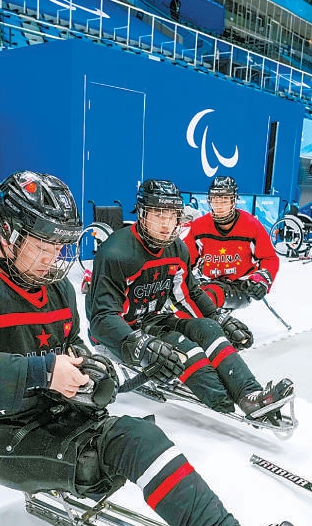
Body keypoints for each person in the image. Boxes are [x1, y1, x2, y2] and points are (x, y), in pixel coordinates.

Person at [0, 170, 299, 526]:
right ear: (6, 233)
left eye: (59, 247)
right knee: (130, 439)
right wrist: (42, 370)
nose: (51, 259)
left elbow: (70, 343)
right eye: (42, 246)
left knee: (142, 435)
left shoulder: (57, 291)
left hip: (56, 414)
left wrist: (93, 369)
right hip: (2, 437)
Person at [86, 179, 294, 424]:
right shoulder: (116, 252)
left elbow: (189, 294)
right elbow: (100, 318)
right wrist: (138, 343)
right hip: (122, 332)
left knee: (208, 329)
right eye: (157, 214)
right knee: (184, 349)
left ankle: (250, 395)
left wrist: (218, 318)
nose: (166, 224)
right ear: (142, 214)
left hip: (154, 320)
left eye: (172, 216)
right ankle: (224, 399)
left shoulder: (176, 249)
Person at [185, 176, 280, 311]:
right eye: (215, 200)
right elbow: (186, 261)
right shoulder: (199, 226)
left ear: (233, 201)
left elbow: (269, 258)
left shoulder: (251, 225)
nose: (219, 206)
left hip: (241, 285)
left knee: (205, 298)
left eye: (224, 200)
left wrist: (262, 280)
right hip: (207, 281)